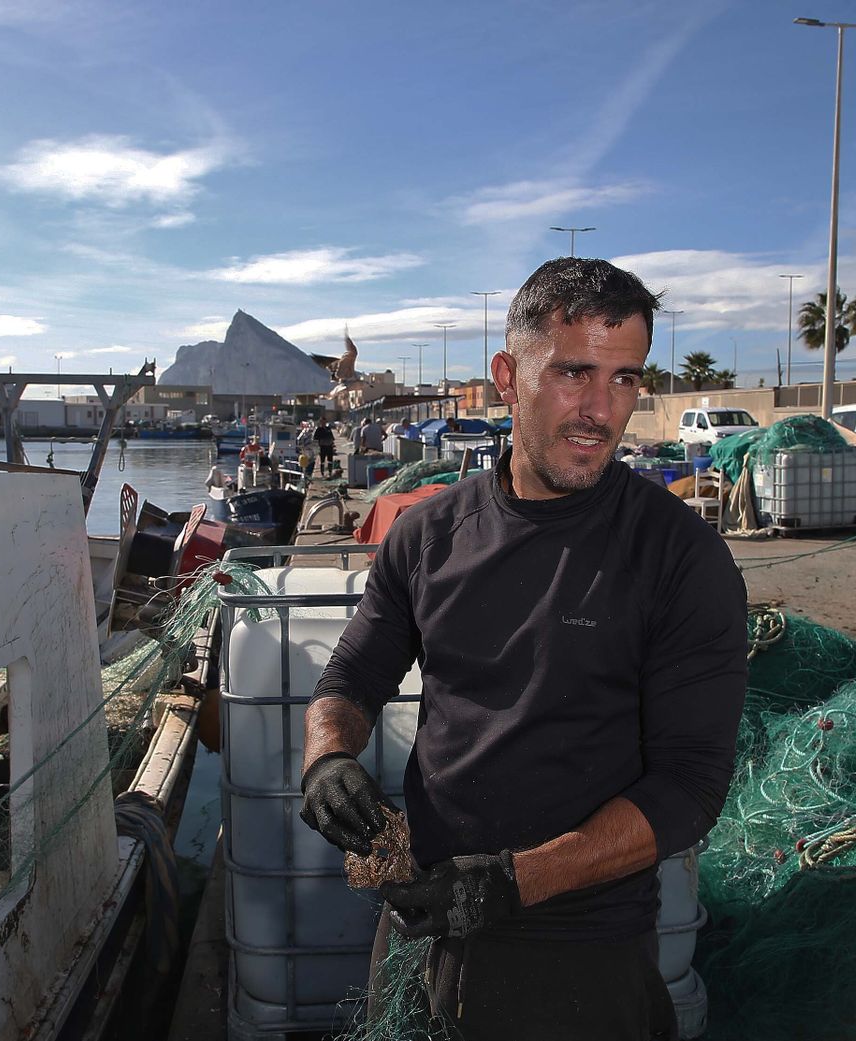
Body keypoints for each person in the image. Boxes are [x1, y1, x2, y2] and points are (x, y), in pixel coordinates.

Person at [297, 258, 749, 1040]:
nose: (602, 410)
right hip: (420, 926)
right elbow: (352, 676)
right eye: (575, 372)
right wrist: (327, 758)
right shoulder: (426, 536)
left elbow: (690, 786)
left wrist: (513, 881)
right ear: (508, 375)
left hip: (583, 958)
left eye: (626, 379)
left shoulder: (679, 556)